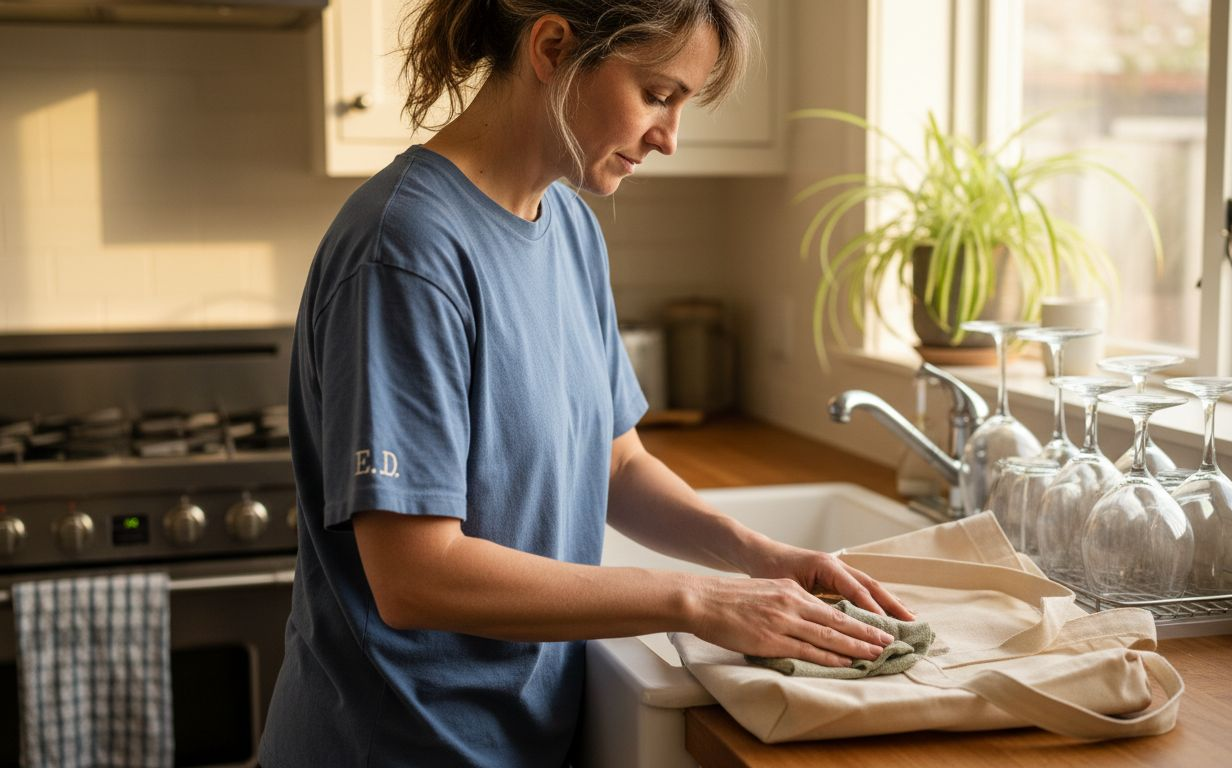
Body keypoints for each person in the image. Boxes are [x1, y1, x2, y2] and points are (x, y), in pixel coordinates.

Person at [258, 1, 914, 765]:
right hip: (397, 745)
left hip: (521, 737)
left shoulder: (567, 223)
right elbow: (415, 575)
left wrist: (757, 557)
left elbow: (617, 464)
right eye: (658, 95)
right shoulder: (405, 251)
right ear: (551, 46)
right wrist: (694, 599)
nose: (669, 138)